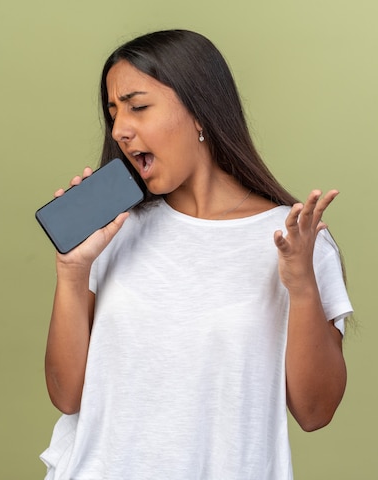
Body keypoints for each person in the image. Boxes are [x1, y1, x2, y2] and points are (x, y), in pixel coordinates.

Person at [40, 29, 353, 480]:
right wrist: (72, 272)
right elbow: (67, 396)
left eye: (138, 106)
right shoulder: (112, 232)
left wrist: (302, 286)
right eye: (113, 113)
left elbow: (315, 411)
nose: (121, 130)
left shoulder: (294, 240)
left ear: (200, 112)